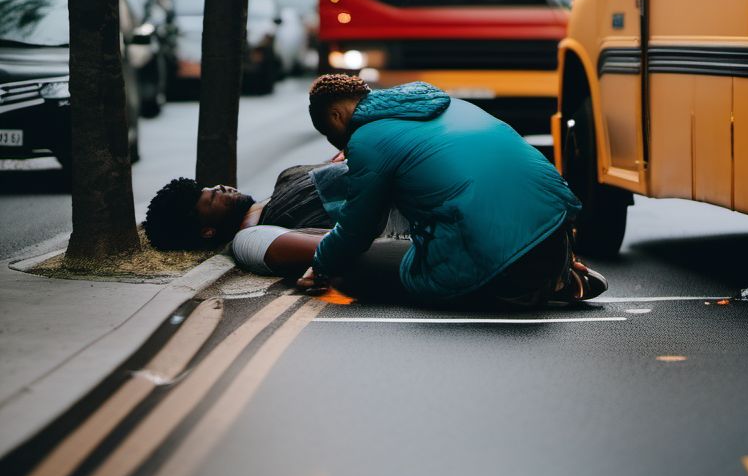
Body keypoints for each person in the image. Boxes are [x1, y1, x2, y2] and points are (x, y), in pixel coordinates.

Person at [298, 74, 607, 306]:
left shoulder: (366, 138)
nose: (336, 144)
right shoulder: (450, 105)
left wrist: (322, 263)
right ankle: (558, 275)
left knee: (351, 268)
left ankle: (515, 288)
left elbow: (358, 229)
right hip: (556, 237)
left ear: (337, 117)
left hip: (496, 264)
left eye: (329, 133)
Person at [143, 163, 408, 282]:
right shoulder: (251, 238)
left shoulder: (281, 185)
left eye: (211, 187)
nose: (221, 187)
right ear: (208, 231)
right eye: (212, 199)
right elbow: (337, 249)